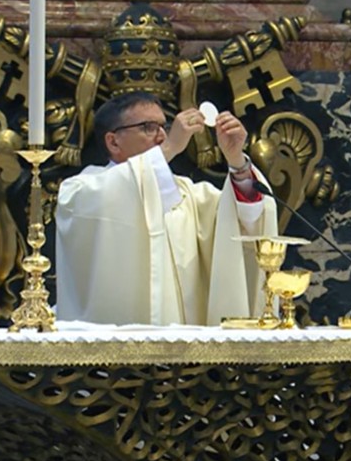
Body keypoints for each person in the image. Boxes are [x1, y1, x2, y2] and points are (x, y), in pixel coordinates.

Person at [54, 91, 277, 325]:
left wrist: (236, 161)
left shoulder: (188, 194)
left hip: (189, 349)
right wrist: (170, 147)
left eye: (164, 126)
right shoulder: (82, 191)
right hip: (116, 351)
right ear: (113, 141)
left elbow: (245, 221)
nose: (161, 135)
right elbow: (115, 193)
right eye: (148, 127)